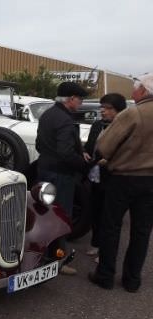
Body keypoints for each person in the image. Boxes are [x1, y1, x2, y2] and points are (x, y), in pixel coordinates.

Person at [89, 73, 153, 292]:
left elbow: (104, 147)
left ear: (143, 91)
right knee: (142, 232)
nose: (133, 91)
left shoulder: (132, 113)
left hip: (124, 178)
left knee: (111, 227)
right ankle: (132, 280)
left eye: (135, 88)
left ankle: (105, 275)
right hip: (151, 182)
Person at [36, 81, 89, 275]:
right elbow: (65, 152)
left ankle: (41, 255)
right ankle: (58, 259)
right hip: (60, 174)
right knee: (61, 217)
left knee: (44, 213)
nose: (81, 103)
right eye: (80, 99)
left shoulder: (48, 115)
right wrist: (84, 164)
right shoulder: (65, 120)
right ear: (71, 99)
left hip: (45, 169)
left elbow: (39, 144)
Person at [83, 93, 127, 261]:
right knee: (94, 211)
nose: (103, 111)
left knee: (109, 217)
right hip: (93, 176)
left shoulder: (123, 127)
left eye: (108, 108)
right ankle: (95, 243)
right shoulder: (96, 125)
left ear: (119, 111)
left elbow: (124, 152)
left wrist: (108, 160)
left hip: (112, 177)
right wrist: (85, 152)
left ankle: (105, 252)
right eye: (102, 107)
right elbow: (89, 146)